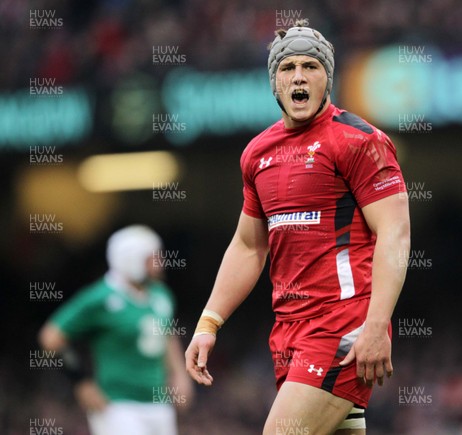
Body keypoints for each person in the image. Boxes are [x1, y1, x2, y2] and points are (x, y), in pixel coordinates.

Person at [185, 20, 410, 435]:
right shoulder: (257, 153)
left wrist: (378, 324)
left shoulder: (359, 141)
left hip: (342, 326)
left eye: (311, 66)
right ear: (275, 83)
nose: (299, 76)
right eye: (288, 68)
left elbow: (395, 234)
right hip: (289, 333)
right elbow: (248, 246)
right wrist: (208, 323)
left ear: (328, 78)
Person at [39, 225, 192, 435]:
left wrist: (179, 375)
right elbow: (51, 338)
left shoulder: (161, 295)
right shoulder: (100, 298)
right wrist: (81, 381)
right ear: (131, 260)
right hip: (118, 404)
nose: (161, 263)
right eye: (152, 258)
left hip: (158, 401)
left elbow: (166, 334)